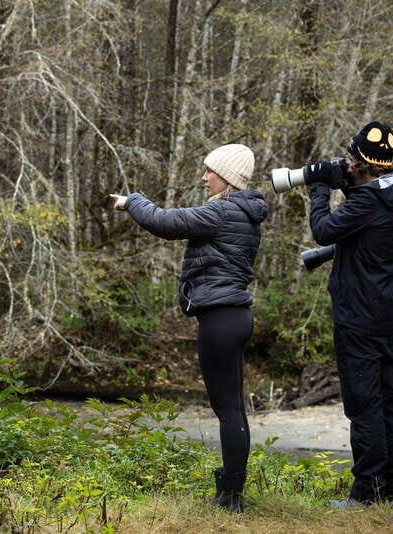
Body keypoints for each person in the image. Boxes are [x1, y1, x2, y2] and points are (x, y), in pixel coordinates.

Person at [111, 144, 267, 513]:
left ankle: (230, 497)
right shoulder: (244, 212)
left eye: (210, 171)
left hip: (220, 319)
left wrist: (131, 201)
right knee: (233, 408)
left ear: (227, 177)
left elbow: (165, 222)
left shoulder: (222, 212)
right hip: (235, 316)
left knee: (227, 409)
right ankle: (232, 491)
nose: (204, 177)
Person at [308, 121, 393, 507]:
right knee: (389, 400)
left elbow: (323, 230)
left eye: (351, 159)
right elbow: (368, 205)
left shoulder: (368, 201)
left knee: (363, 401)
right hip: (386, 311)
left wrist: (320, 188)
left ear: (361, 164)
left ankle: (366, 490)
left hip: (356, 313)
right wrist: (348, 183)